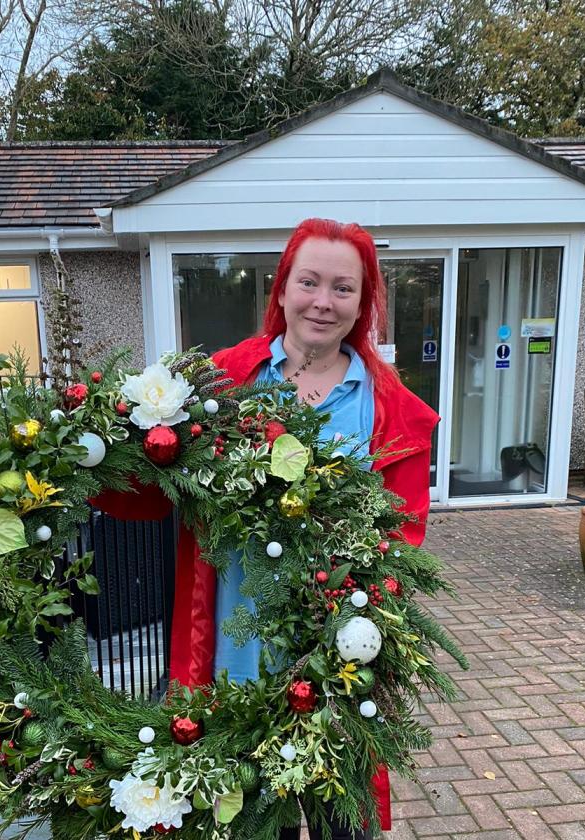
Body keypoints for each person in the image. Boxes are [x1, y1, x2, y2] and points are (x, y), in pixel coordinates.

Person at [91, 217, 439, 838]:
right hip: (232, 653)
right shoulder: (222, 381)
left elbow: (402, 539)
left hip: (336, 664)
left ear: (362, 303)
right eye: (309, 282)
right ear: (281, 290)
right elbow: (149, 487)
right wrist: (91, 446)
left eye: (343, 288)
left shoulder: (390, 410)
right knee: (248, 824)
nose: (323, 302)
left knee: (343, 825)